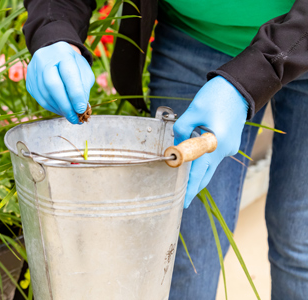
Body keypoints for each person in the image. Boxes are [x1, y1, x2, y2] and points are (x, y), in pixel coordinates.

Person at [22, 0, 308, 298]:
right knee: (183, 251)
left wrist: (251, 77)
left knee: (300, 243)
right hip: (197, 37)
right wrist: (53, 27)